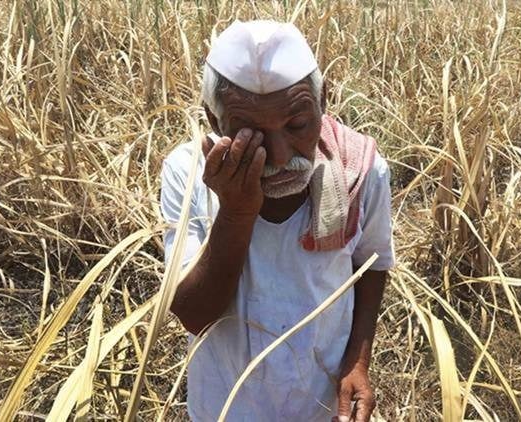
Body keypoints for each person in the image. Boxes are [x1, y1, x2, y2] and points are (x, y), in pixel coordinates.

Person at [160, 19, 395, 421]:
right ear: (215, 121)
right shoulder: (189, 173)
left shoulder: (360, 171)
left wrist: (357, 363)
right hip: (227, 404)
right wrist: (236, 210)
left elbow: (371, 264)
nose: (282, 155)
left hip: (318, 401)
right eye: (251, 134)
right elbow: (194, 315)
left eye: (298, 125)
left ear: (323, 100)